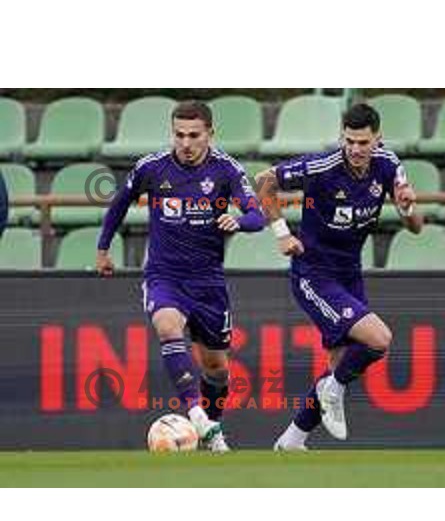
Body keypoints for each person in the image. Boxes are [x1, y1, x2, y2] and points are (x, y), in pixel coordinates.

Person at [96, 100, 265, 452]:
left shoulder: (226, 170)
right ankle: (196, 414)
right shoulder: (152, 168)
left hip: (208, 282)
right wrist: (102, 248)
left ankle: (214, 428)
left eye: (194, 135)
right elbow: (119, 204)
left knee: (217, 368)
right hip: (164, 275)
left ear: (210, 134)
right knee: (167, 326)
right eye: (178, 135)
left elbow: (257, 214)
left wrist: (240, 221)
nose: (185, 143)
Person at [256, 103, 423, 450]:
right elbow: (264, 181)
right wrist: (282, 233)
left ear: (378, 139)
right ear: (342, 137)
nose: (356, 149)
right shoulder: (323, 166)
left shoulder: (389, 165)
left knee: (338, 367)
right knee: (379, 339)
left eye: (364, 142)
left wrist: (407, 206)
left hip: (349, 272)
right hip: (313, 273)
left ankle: (291, 440)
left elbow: (416, 228)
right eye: (350, 141)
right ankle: (332, 389)